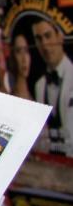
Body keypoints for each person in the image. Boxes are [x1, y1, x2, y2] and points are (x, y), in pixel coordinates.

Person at [32, 16, 72, 154]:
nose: (44, 45)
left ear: (59, 37)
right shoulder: (39, 85)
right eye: (39, 39)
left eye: (48, 36)